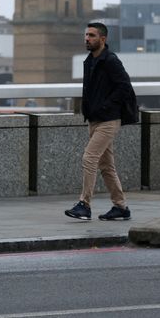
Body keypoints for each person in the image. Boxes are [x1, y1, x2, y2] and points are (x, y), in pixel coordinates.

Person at [65, 22, 134, 222]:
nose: (87, 39)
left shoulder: (111, 61)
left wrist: (105, 106)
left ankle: (84, 205)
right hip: (95, 120)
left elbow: (124, 87)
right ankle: (121, 207)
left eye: (92, 35)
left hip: (109, 120)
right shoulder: (89, 61)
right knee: (106, 166)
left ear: (102, 39)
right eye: (86, 35)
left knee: (89, 158)